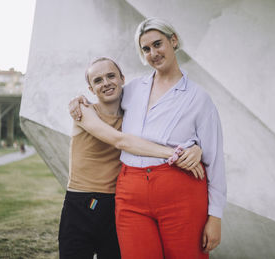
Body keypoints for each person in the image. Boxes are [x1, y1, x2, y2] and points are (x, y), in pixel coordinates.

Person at [71, 17, 226, 259]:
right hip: (130, 192)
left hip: (181, 190)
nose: (153, 53)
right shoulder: (132, 90)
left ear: (173, 41)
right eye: (146, 49)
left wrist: (215, 216)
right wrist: (79, 101)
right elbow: (106, 103)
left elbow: (215, 160)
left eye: (158, 44)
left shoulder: (198, 98)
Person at [60, 57, 203, 259]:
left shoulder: (133, 118)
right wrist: (174, 155)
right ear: (91, 89)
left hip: (117, 204)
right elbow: (120, 141)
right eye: (98, 80)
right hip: (82, 203)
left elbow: (173, 131)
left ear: (122, 79)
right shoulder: (84, 111)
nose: (106, 83)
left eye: (111, 76)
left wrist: (196, 147)